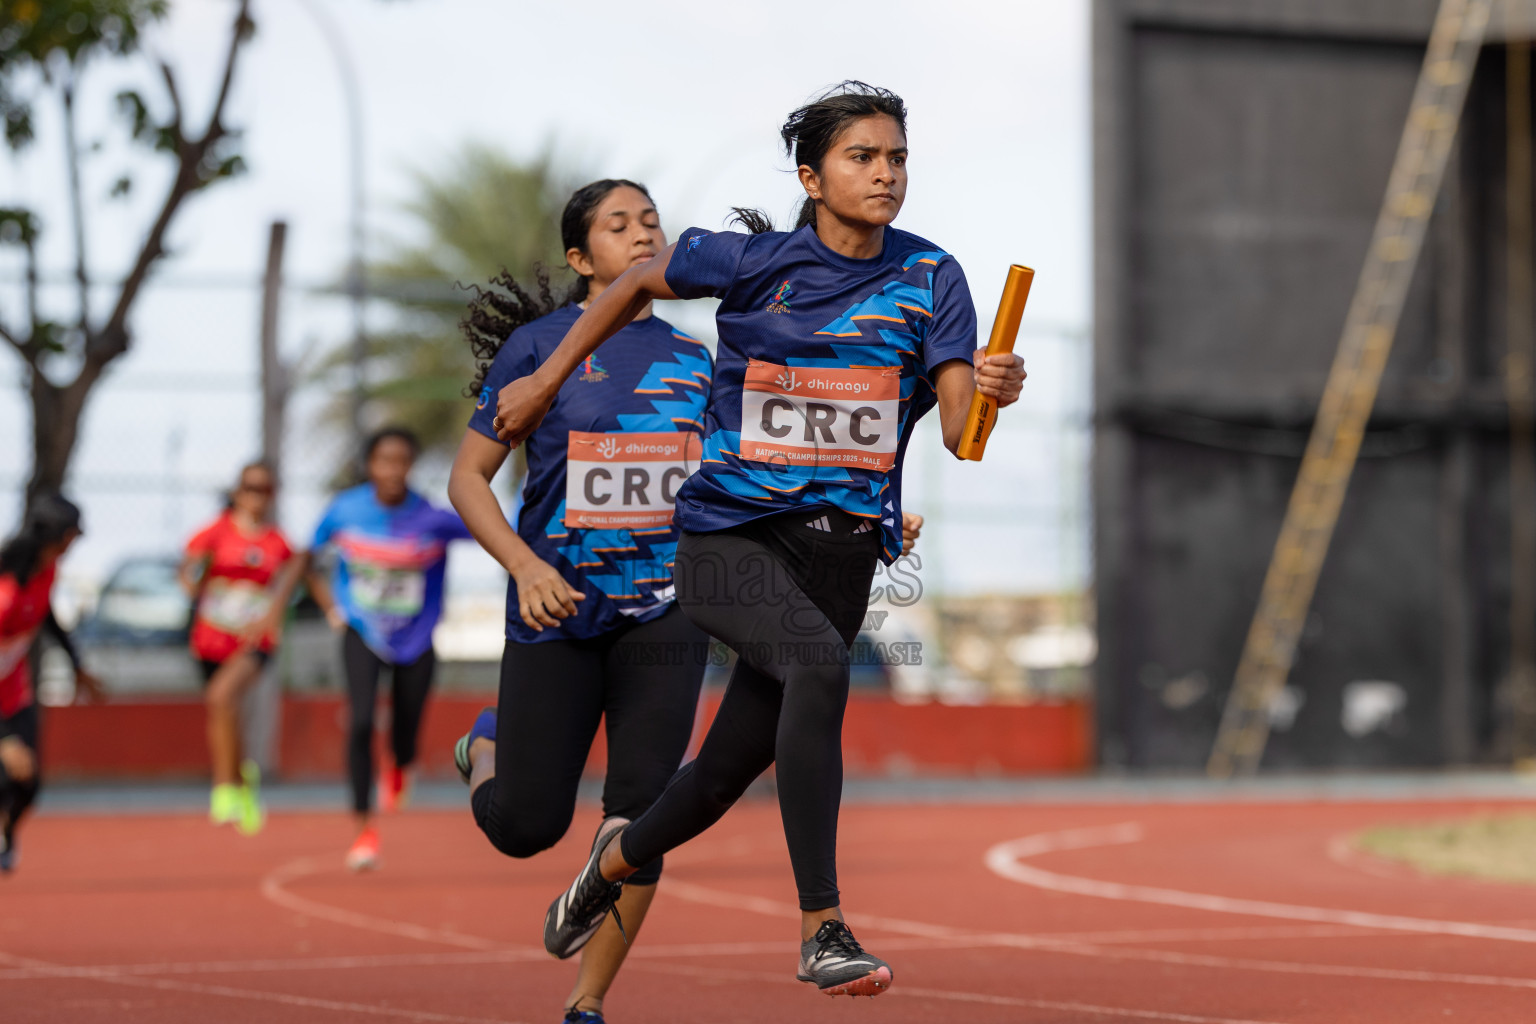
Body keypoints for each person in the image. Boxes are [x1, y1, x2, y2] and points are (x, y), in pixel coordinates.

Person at [490, 83, 1028, 999]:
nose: (887, 174)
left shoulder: (933, 277)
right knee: (820, 666)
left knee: (718, 776)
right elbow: (633, 282)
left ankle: (607, 868)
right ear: (811, 177)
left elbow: (956, 432)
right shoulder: (746, 261)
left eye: (897, 158)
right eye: (864, 157)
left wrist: (992, 390)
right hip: (729, 541)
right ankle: (823, 927)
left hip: (841, 558)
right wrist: (546, 382)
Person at [446, 178, 714, 1024]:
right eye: (618, 224)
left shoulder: (696, 359)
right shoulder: (537, 349)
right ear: (579, 256)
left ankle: (587, 1002)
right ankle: (484, 747)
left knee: (644, 818)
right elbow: (468, 479)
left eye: (652, 222)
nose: (643, 234)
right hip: (556, 610)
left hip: (665, 612)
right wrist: (524, 566)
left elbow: (738, 476)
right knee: (525, 827)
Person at [300, 426, 472, 871]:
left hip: (416, 636)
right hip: (362, 630)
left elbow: (492, 530)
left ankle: (402, 762)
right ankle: (364, 829)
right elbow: (306, 560)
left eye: (402, 461)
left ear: (411, 466)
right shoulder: (344, 510)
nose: (393, 470)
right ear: (370, 466)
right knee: (360, 722)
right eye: (384, 461)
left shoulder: (433, 517)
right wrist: (331, 607)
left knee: (406, 724)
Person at [180, 462, 295, 836]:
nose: (256, 496)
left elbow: (296, 575)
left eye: (264, 489)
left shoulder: (278, 542)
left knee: (221, 695)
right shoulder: (214, 532)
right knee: (224, 710)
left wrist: (275, 613)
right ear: (237, 491)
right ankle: (245, 779)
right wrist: (194, 578)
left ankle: (223, 788)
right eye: (249, 488)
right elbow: (188, 573)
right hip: (212, 638)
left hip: (254, 641)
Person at [0, 494, 103, 873]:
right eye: (72, 534)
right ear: (55, 534)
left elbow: (45, 616)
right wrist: (3, 739)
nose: (74, 543)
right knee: (7, 772)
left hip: (14, 692)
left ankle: (6, 834)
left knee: (29, 783)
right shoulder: (5, 590)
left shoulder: (47, 571)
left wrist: (77, 665)